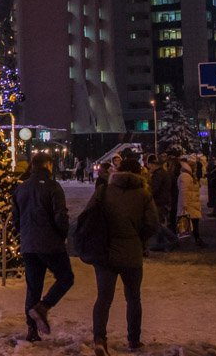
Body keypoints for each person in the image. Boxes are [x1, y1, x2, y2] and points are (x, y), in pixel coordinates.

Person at [90, 149, 158, 355]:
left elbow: (89, 218)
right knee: (133, 298)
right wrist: (139, 238)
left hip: (106, 253)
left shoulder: (104, 191)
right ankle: (133, 340)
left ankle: (99, 339)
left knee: (103, 298)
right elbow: (152, 224)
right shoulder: (143, 194)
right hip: (132, 252)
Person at [13, 153, 73, 342]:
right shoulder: (53, 187)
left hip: (28, 244)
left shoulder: (20, 189)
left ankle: (32, 331)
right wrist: (62, 234)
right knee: (66, 278)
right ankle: (43, 307)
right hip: (50, 243)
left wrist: (25, 235)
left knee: (33, 287)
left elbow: (16, 219)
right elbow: (60, 216)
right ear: (47, 165)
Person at [147, 155, 177, 251]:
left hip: (159, 201)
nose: (149, 168)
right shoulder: (163, 173)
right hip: (164, 200)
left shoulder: (158, 174)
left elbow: (154, 189)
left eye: (150, 165)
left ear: (154, 165)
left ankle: (173, 239)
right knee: (158, 222)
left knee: (157, 223)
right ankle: (161, 244)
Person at [177, 157, 205, 247]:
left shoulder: (189, 175)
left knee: (194, 222)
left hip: (192, 202)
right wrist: (184, 204)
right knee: (191, 222)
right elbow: (183, 191)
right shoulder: (185, 176)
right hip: (190, 203)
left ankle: (196, 239)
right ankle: (194, 240)